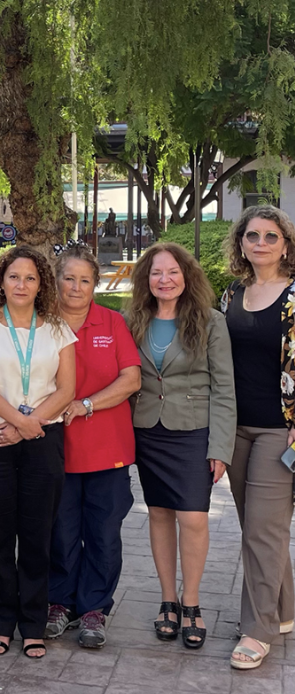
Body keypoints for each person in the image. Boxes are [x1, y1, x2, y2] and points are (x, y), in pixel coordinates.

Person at [0, 245, 77, 659]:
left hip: (42, 441)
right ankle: (1, 625)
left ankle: (32, 625)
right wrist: (17, 424)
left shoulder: (58, 328)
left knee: (36, 537)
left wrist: (28, 427)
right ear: (1, 281)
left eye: (30, 278)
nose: (21, 284)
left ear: (41, 284)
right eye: (14, 276)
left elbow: (67, 389)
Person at [127, 242, 235, 650]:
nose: (165, 279)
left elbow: (224, 388)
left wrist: (220, 446)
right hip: (148, 431)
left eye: (173, 272)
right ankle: (167, 600)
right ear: (146, 279)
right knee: (158, 514)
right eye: (156, 272)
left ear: (186, 276)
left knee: (192, 518)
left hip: (193, 432)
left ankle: (191, 601)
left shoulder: (210, 321)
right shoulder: (133, 319)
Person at [45, 242, 141, 649]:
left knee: (103, 533)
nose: (76, 287)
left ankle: (93, 609)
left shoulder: (112, 322)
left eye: (85, 280)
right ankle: (59, 603)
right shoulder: (43, 323)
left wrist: (86, 404)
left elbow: (131, 379)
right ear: (56, 280)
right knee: (61, 531)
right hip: (55, 449)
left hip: (107, 448)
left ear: (95, 285)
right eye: (69, 278)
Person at [221, 206, 295, 669]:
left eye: (271, 236)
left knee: (263, 531)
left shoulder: (294, 296)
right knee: (258, 526)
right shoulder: (233, 293)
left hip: (279, 428)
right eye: (253, 236)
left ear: (286, 245)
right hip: (236, 427)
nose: (261, 243)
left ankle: (258, 629)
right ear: (242, 243)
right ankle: (283, 610)